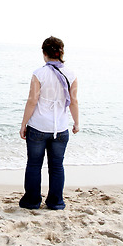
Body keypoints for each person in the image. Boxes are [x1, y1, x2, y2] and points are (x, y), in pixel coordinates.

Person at [19, 36, 79, 210]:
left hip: (38, 127)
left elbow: (32, 101)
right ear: (61, 52)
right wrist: (76, 123)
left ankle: (31, 202)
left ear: (44, 53)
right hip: (60, 128)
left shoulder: (39, 73)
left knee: (34, 165)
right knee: (57, 166)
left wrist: (23, 125)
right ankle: (55, 202)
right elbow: (73, 101)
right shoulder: (71, 74)